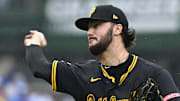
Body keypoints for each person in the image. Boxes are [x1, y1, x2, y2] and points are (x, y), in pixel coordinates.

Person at [24, 5, 180, 101]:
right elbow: (39, 67)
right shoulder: (81, 75)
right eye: (88, 28)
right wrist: (34, 42)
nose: (89, 32)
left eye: (97, 25)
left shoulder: (153, 75)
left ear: (118, 29)